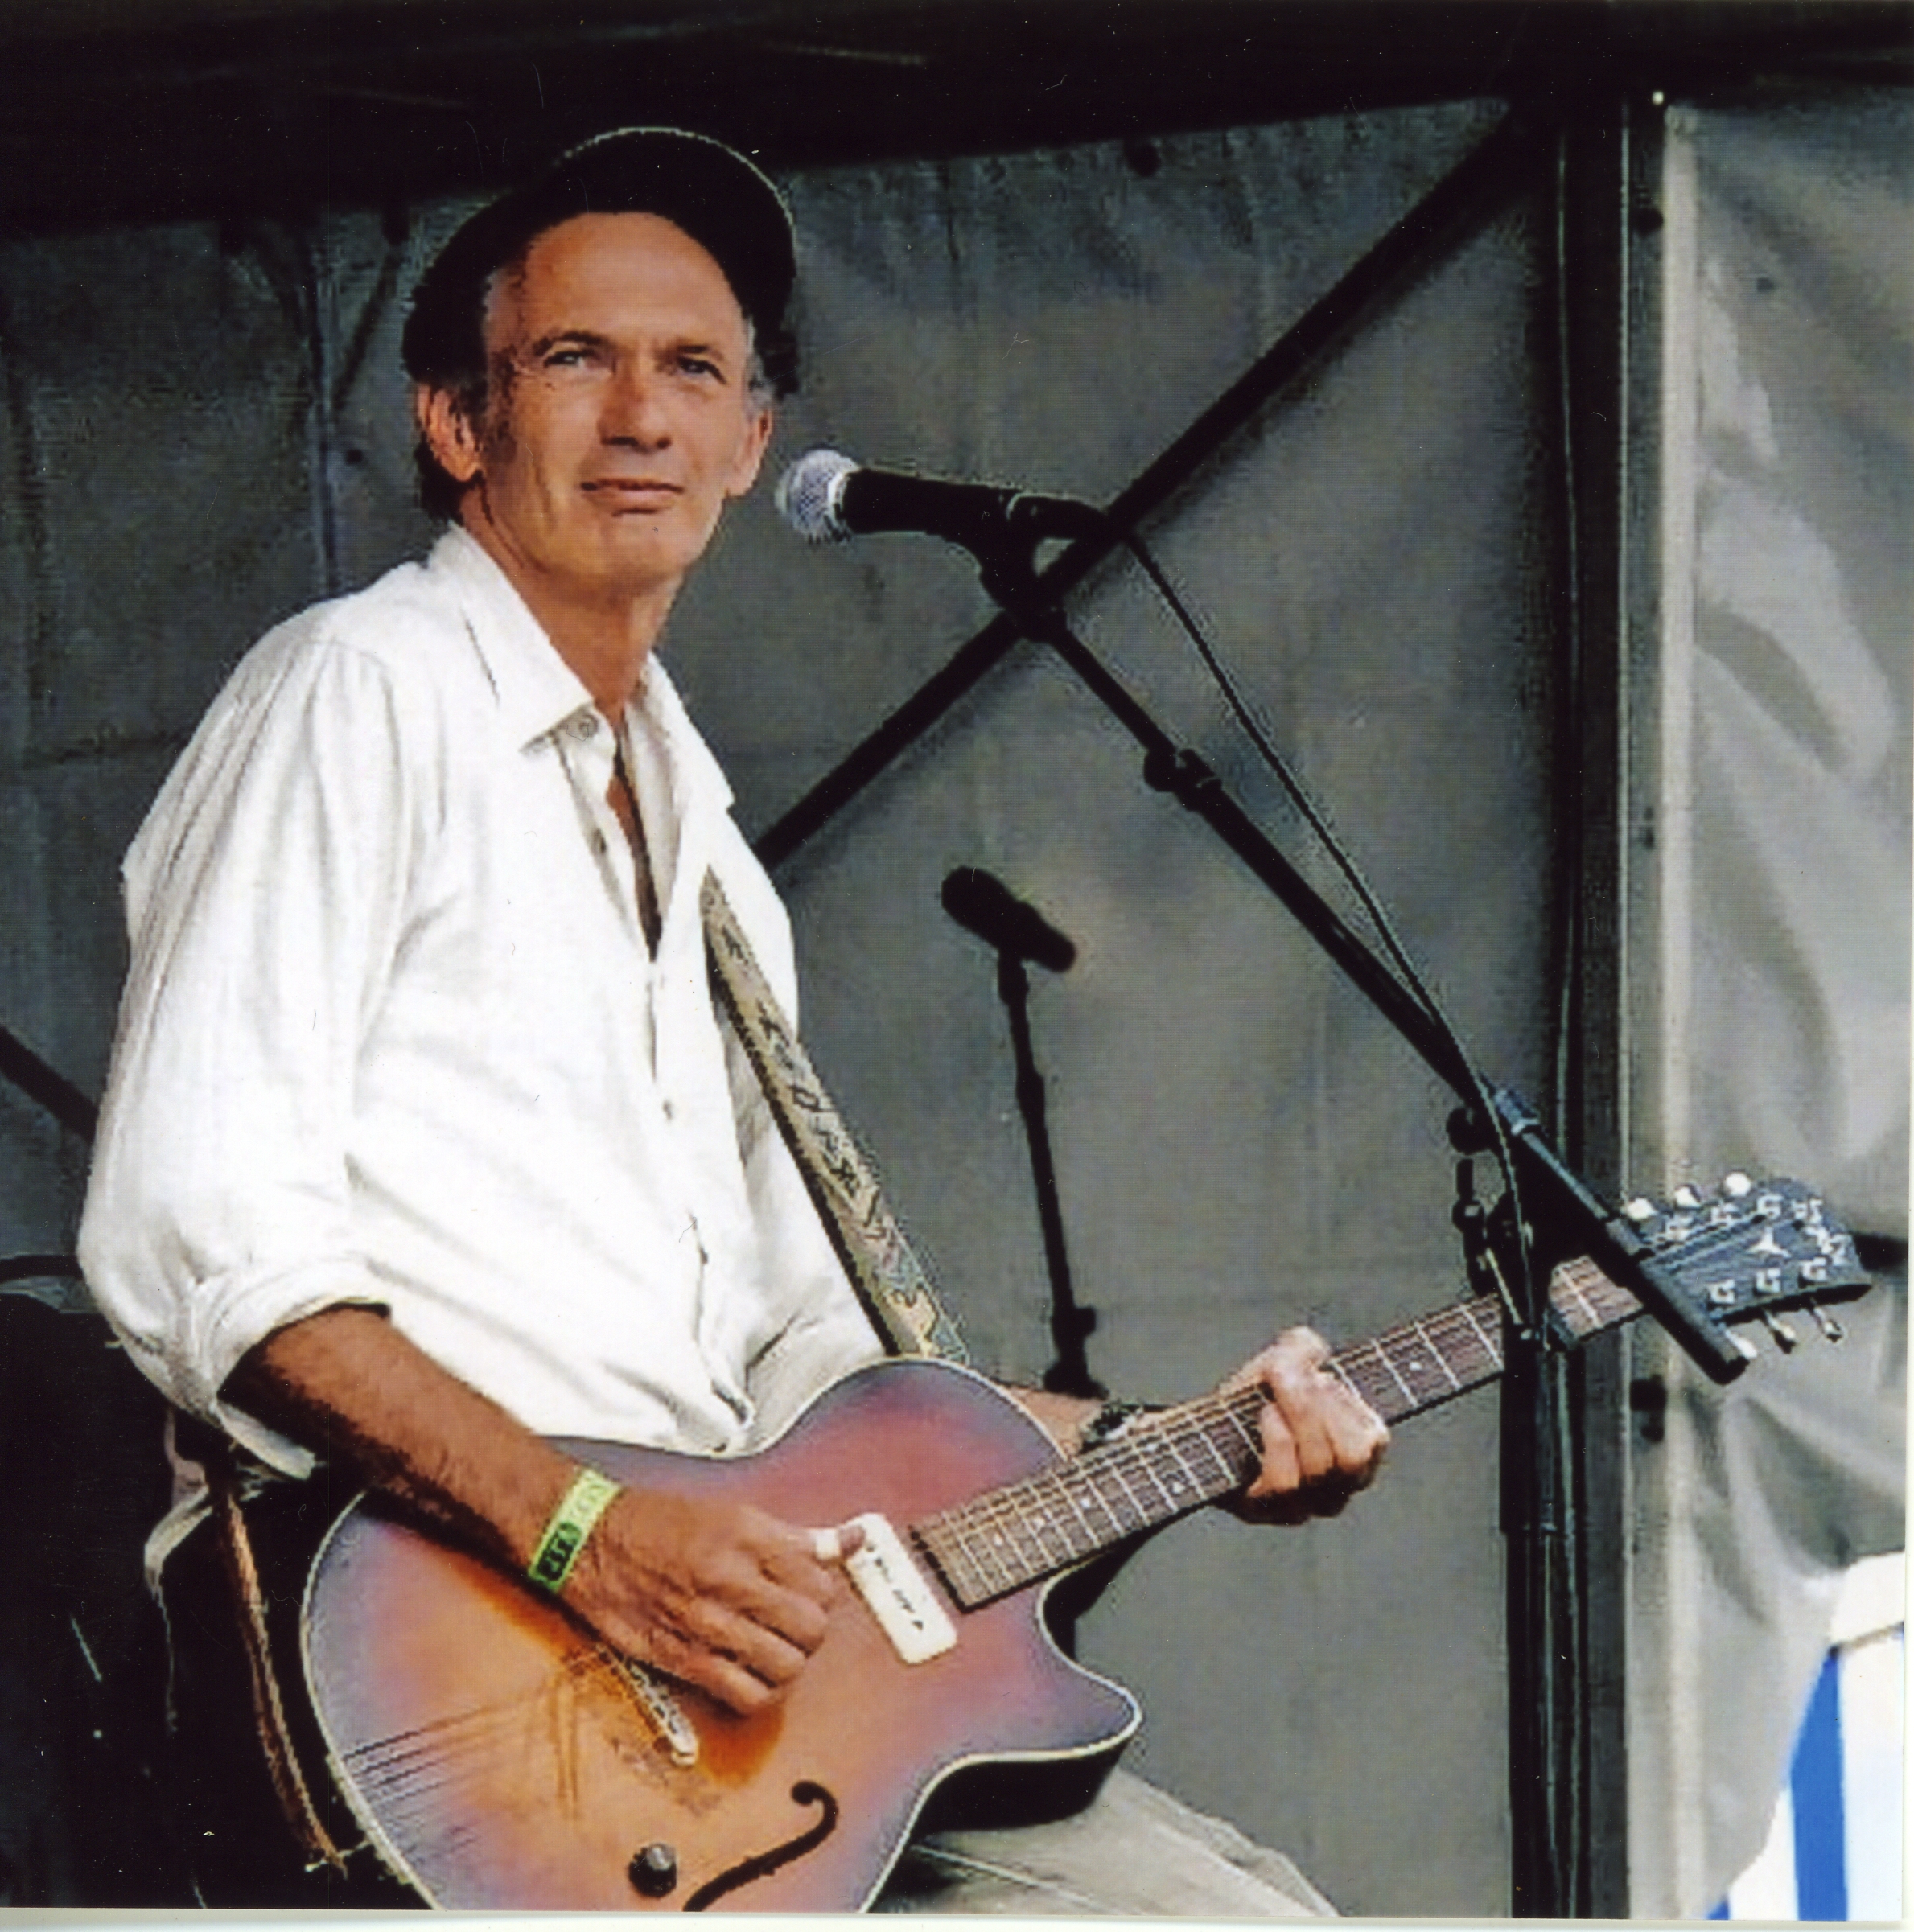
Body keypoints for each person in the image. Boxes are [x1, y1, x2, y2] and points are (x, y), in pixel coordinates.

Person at [79, 128, 1388, 1914]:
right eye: (574, 358)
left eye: (694, 369)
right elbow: (194, 1229)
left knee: (1259, 1905)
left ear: (753, 442)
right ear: (456, 422)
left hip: (721, 1669)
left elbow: (803, 1353)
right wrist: (585, 1533)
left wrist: (1175, 1441)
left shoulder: (701, 840)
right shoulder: (355, 694)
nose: (642, 416)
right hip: (439, 1640)